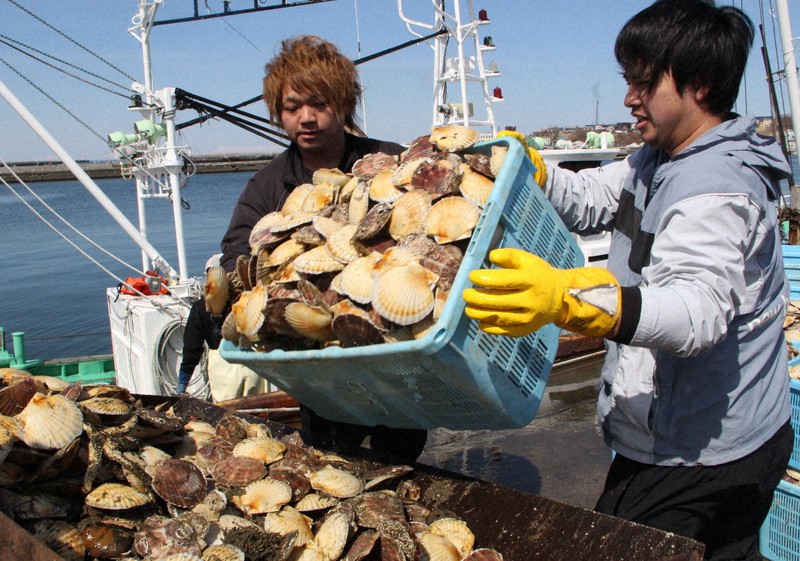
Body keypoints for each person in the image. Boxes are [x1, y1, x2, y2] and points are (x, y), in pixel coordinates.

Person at [463, 1, 793, 559]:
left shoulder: (717, 186)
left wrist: (567, 301)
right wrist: (534, 172)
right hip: (725, 432)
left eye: (644, 81)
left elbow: (696, 313)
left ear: (703, 84)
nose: (628, 97)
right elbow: (594, 199)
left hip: (703, 451)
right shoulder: (659, 156)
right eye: (628, 79)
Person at [218, 34, 428, 462]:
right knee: (330, 457)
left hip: (392, 350)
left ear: (343, 104)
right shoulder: (268, 185)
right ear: (278, 113)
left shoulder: (391, 162)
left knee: (403, 458)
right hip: (319, 363)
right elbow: (236, 253)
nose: (306, 118)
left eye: (319, 104)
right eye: (292, 107)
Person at [177, 255, 268, 400]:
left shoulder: (200, 308)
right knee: (258, 414)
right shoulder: (247, 300)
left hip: (223, 368)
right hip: (253, 362)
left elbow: (192, 347)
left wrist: (182, 384)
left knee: (226, 415)